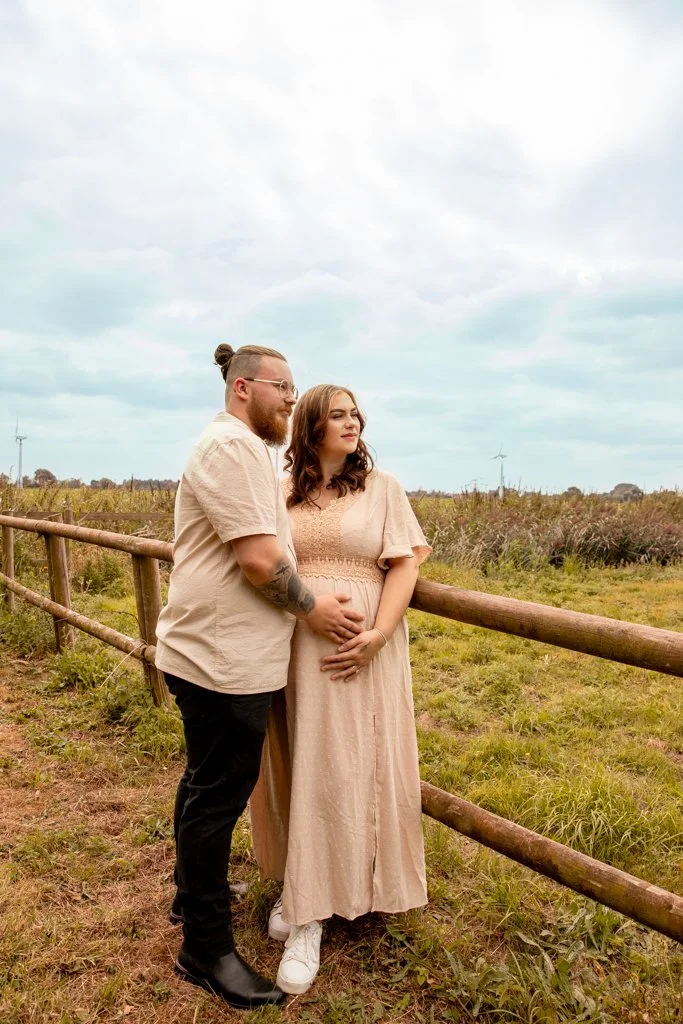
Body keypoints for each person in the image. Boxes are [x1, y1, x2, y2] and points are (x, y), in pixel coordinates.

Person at [155, 349, 364, 1010]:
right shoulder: (235, 450)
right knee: (219, 795)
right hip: (224, 659)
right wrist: (314, 608)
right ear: (243, 388)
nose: (290, 400)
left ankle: (193, 897)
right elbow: (256, 559)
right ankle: (206, 949)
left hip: (214, 652)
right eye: (283, 388)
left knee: (202, 782)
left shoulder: (234, 448)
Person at [250, 383, 431, 995]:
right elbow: (268, 566)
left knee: (357, 765)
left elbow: (405, 563)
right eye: (337, 415)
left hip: (362, 647)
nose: (352, 423)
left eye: (356, 414)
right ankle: (308, 901)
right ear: (310, 426)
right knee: (308, 763)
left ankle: (329, 899)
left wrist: (378, 635)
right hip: (298, 643)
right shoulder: (283, 495)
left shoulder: (384, 489)